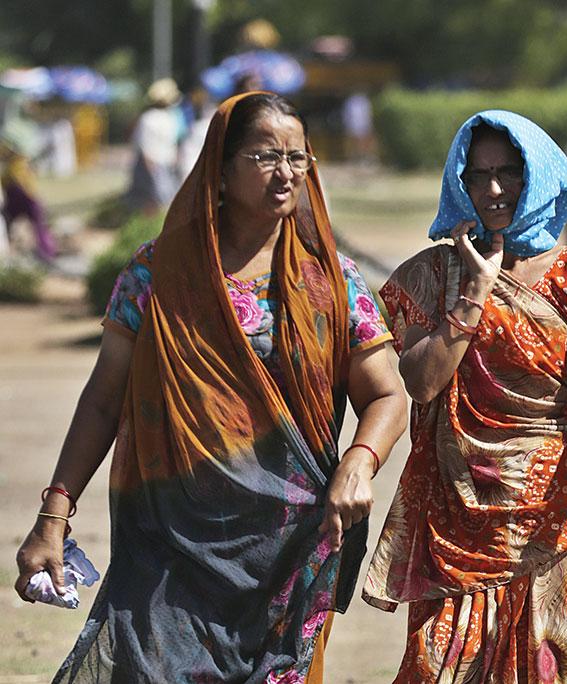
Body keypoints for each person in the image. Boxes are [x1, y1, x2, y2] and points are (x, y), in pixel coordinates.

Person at [14, 92, 407, 682]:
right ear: (220, 168)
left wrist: (359, 459)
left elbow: (387, 394)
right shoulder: (157, 274)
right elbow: (103, 400)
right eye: (266, 155)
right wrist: (54, 514)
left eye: (298, 158)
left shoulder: (332, 282)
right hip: (168, 543)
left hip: (287, 549)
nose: (287, 172)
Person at [362, 110, 567, 682]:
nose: (493, 190)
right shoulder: (432, 276)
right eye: (477, 175)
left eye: (508, 172)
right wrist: (475, 289)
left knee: (543, 669)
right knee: (439, 666)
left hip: (555, 513)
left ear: (537, 174)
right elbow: (421, 382)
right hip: (456, 511)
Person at [1, 119, 57, 264]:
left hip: (27, 200)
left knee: (39, 229)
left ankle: (47, 254)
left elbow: (19, 183)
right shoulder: (15, 163)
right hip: (18, 201)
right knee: (8, 226)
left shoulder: (18, 163)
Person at [124, 78, 184, 213]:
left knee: (162, 199)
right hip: (157, 164)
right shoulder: (164, 118)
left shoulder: (152, 117)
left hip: (161, 163)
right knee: (159, 199)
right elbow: (147, 147)